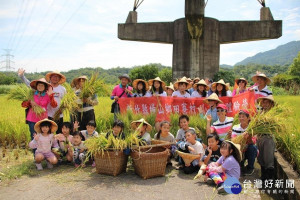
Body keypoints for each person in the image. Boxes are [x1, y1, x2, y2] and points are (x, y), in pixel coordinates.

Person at [18, 69, 67, 133]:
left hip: (58, 115)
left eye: (57, 77)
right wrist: (22, 76)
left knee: (59, 133)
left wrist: (62, 109)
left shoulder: (62, 89)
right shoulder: (43, 88)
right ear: (50, 78)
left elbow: (66, 102)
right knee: (46, 134)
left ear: (60, 79)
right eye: (53, 76)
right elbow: (29, 85)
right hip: (47, 116)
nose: (55, 78)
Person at [230, 109, 257, 176]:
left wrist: (249, 137)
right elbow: (233, 140)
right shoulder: (235, 127)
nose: (241, 118)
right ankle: (241, 164)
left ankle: (250, 167)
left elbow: (253, 142)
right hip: (239, 149)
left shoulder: (252, 128)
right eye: (240, 116)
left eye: (243, 116)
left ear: (248, 118)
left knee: (252, 147)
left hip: (248, 149)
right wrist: (242, 137)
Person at [256, 95, 276, 181]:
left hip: (268, 138)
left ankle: (269, 178)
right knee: (261, 157)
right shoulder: (260, 113)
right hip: (260, 137)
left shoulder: (274, 114)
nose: (264, 104)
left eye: (267, 102)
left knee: (268, 158)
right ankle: (263, 176)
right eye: (263, 102)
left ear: (271, 104)